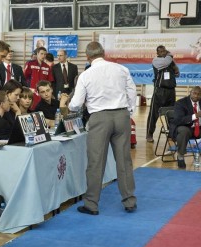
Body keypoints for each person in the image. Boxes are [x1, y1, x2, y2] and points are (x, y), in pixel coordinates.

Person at [68, 41, 137, 215]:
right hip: (122, 116)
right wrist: (129, 110)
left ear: (87, 56)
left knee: (96, 163)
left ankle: (91, 204)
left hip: (99, 118)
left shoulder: (86, 75)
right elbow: (132, 91)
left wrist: (71, 107)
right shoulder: (121, 69)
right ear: (104, 53)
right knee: (124, 161)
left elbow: (76, 104)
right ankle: (129, 201)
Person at [146, 45, 180, 142]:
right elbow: (166, 61)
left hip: (171, 91)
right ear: (157, 53)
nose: (163, 52)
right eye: (160, 51)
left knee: (171, 114)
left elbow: (177, 73)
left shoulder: (170, 61)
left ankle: (172, 134)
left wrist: (176, 70)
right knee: (153, 114)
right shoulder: (156, 60)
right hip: (160, 91)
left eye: (164, 50)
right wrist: (170, 55)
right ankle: (149, 134)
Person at [170, 86, 201, 169]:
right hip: (186, 127)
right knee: (183, 131)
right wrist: (196, 116)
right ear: (190, 93)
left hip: (199, 128)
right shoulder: (181, 103)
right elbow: (179, 120)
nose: (196, 96)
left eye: (199, 94)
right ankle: (180, 156)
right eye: (194, 93)